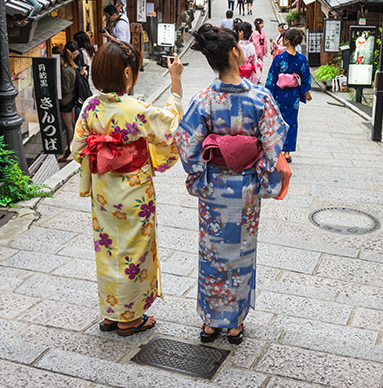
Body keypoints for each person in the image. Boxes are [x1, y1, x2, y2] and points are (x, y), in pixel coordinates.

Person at [175, 24, 288, 345]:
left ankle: (211, 322)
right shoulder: (260, 98)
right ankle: (235, 323)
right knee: (240, 253)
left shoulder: (204, 101)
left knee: (212, 253)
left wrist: (201, 173)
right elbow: (272, 145)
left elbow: (186, 144)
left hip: (213, 191)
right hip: (247, 190)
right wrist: (259, 172)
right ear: (235, 53)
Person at [70, 41, 185, 337]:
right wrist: (175, 80)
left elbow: (77, 148)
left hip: (104, 192)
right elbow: (171, 125)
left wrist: (104, 154)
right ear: (126, 73)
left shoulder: (90, 107)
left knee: (107, 249)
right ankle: (130, 318)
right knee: (135, 249)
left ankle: (111, 313)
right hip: (135, 192)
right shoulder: (137, 109)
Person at [265, 28, 312, 162]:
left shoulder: (279, 58)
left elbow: (272, 78)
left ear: (286, 40)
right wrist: (305, 92)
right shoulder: (302, 59)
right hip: (293, 96)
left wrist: (268, 95)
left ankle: (278, 149)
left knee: (278, 121)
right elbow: (305, 77)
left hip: (279, 94)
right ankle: (287, 153)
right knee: (291, 122)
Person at [54, 44, 78, 161]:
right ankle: (73, 148)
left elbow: (65, 89)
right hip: (71, 100)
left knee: (69, 127)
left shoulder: (65, 71)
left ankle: (70, 151)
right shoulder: (71, 67)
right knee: (72, 125)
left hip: (66, 101)